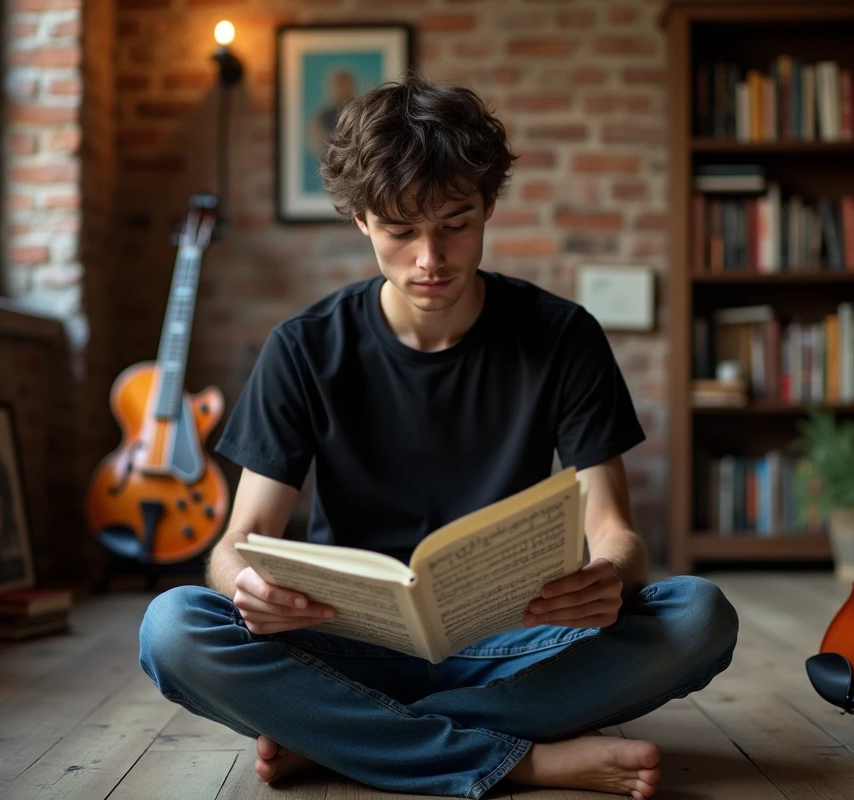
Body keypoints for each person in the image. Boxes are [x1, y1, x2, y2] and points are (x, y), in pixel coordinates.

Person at [139, 76, 738, 800]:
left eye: (455, 222)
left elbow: (617, 531)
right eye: (400, 231)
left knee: (700, 615)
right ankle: (517, 759)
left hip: (515, 645)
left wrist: (608, 578)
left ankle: (343, 738)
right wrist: (247, 587)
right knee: (172, 627)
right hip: (345, 644)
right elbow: (236, 543)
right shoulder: (303, 348)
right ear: (361, 220)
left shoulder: (561, 336)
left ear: (488, 205)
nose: (431, 258)